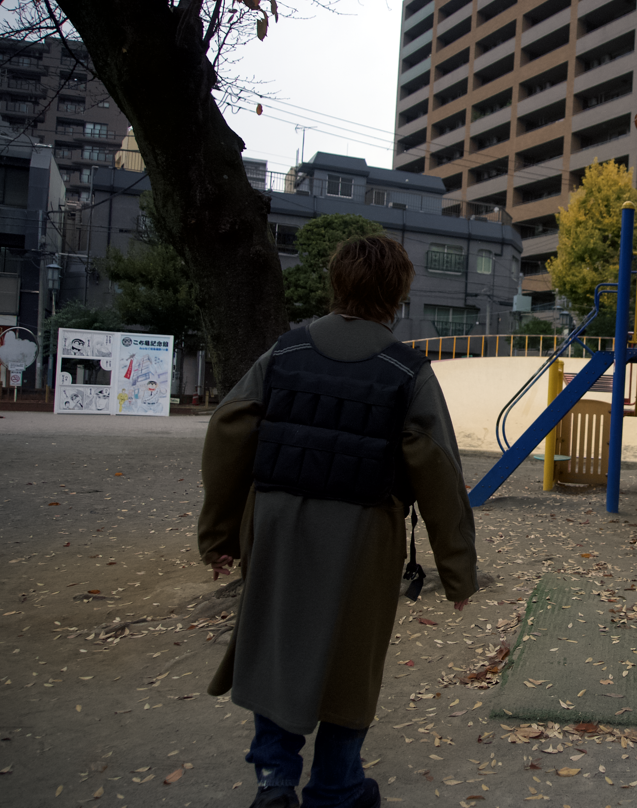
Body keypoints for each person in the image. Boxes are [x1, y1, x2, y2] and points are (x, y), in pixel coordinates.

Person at [197, 235, 478, 808]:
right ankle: (336, 786)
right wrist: (457, 571)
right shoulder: (407, 370)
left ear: (336, 282)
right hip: (363, 531)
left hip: (277, 522)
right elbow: (438, 469)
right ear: (398, 293)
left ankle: (274, 781)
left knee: (278, 643)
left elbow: (230, 430)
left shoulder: (284, 352)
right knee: (352, 661)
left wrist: (219, 535)